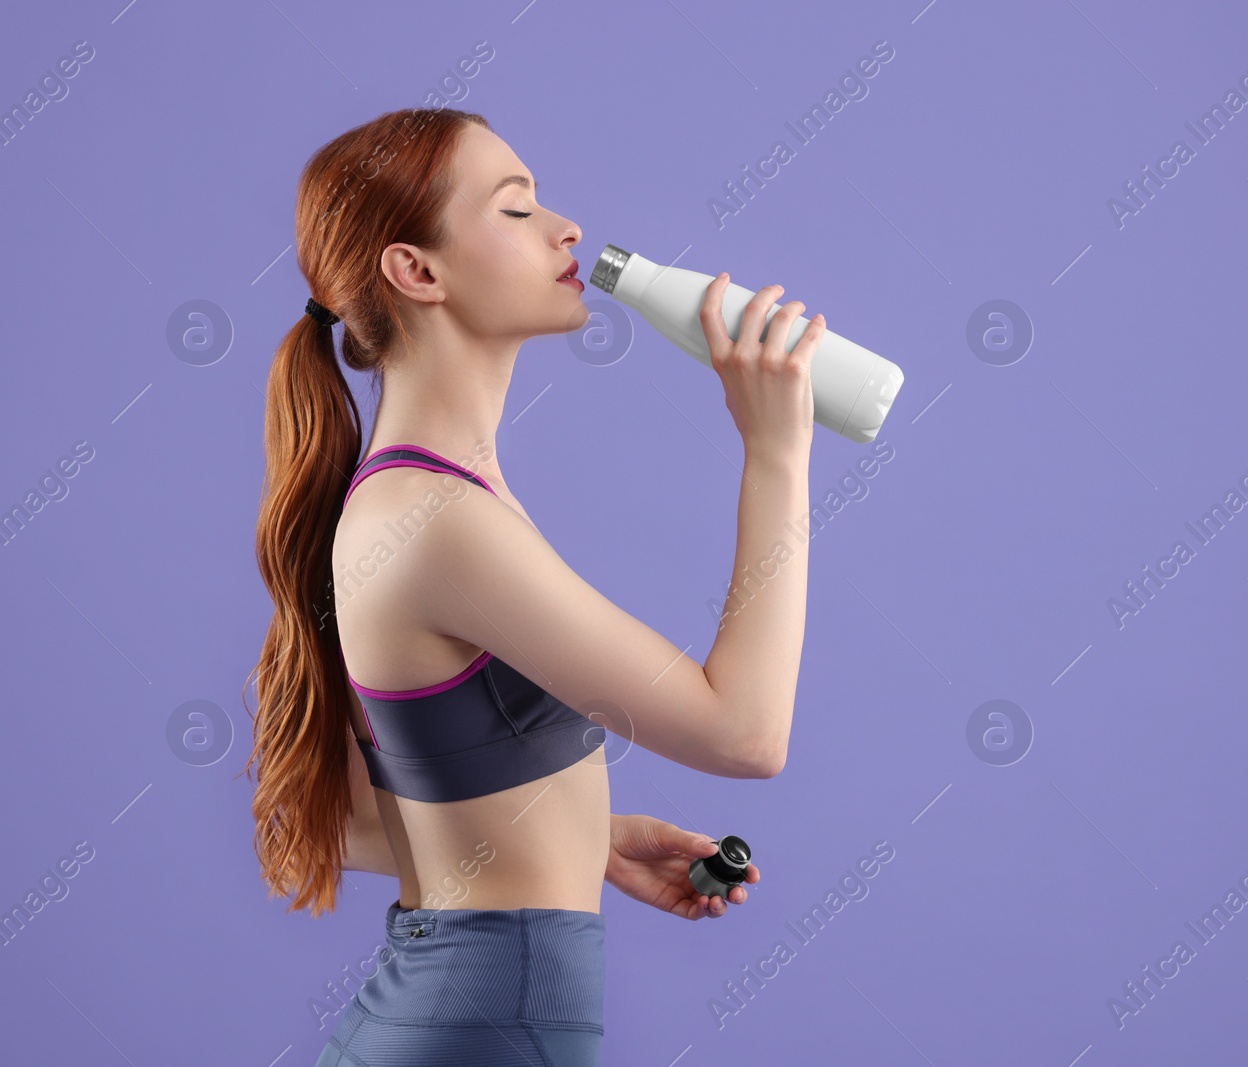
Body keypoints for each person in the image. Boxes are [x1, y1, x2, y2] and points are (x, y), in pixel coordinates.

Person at [242, 106, 822, 1066]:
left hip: (458, 1021)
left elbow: (344, 820)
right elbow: (744, 734)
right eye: (515, 210)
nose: (567, 229)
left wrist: (577, 836)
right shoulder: (438, 522)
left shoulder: (422, 498)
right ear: (416, 272)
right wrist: (776, 455)